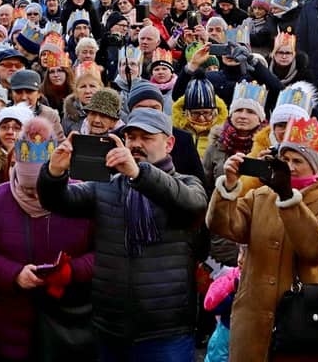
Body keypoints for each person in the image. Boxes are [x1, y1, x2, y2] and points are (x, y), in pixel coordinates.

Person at [38, 108, 209, 362]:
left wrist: (139, 174)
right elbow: (59, 202)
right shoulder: (107, 185)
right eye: (131, 137)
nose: (136, 144)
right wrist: (54, 173)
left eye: (147, 137)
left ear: (169, 143)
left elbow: (193, 205)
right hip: (111, 328)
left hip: (166, 331)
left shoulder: (187, 183)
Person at [207, 117, 318, 361]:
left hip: (301, 323)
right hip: (252, 321)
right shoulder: (260, 196)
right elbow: (223, 226)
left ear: (315, 167)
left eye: (298, 161)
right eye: (285, 160)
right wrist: (228, 186)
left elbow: (315, 249)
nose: (290, 167)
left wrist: (288, 198)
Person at [0, 116, 96, 362]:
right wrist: (15, 274)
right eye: (28, 190)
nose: (36, 197)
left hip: (68, 325)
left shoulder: (81, 197)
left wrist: (71, 271)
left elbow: (103, 254)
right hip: (12, 324)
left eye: (42, 190)